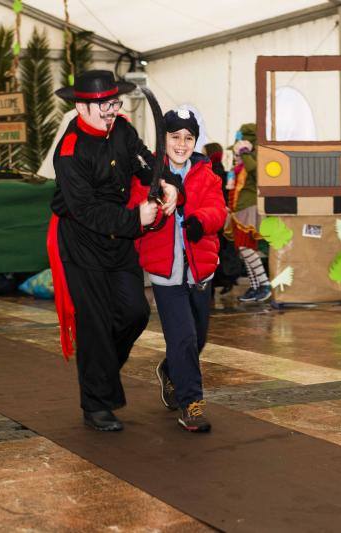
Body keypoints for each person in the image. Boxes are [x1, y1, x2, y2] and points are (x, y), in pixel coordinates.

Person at [49, 70, 180, 432]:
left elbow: (145, 162)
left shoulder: (122, 130)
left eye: (114, 103)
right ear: (81, 108)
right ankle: (96, 405)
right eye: (104, 106)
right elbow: (85, 210)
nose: (111, 112)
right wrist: (135, 218)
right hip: (82, 241)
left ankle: (102, 372)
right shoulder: (69, 151)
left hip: (119, 239)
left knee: (135, 312)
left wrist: (167, 184)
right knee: (94, 324)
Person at [128, 109, 226, 432]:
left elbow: (218, 210)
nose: (182, 144)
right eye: (175, 137)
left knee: (198, 338)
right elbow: (138, 214)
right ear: (163, 139)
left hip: (200, 272)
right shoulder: (148, 174)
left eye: (188, 138)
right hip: (166, 273)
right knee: (183, 336)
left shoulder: (207, 173)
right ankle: (191, 404)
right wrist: (157, 211)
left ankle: (171, 370)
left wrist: (201, 221)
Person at [227, 124, 272, 303]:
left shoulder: (255, 157)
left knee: (246, 248)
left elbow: (256, 172)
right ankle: (255, 286)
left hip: (248, 208)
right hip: (238, 209)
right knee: (244, 249)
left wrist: (245, 153)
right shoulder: (242, 161)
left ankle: (265, 285)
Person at [204, 141, 240, 294]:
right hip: (223, 215)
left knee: (214, 251)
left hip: (214, 215)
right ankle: (227, 279)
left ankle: (217, 283)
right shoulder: (225, 172)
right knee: (224, 249)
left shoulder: (210, 173)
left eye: (204, 153)